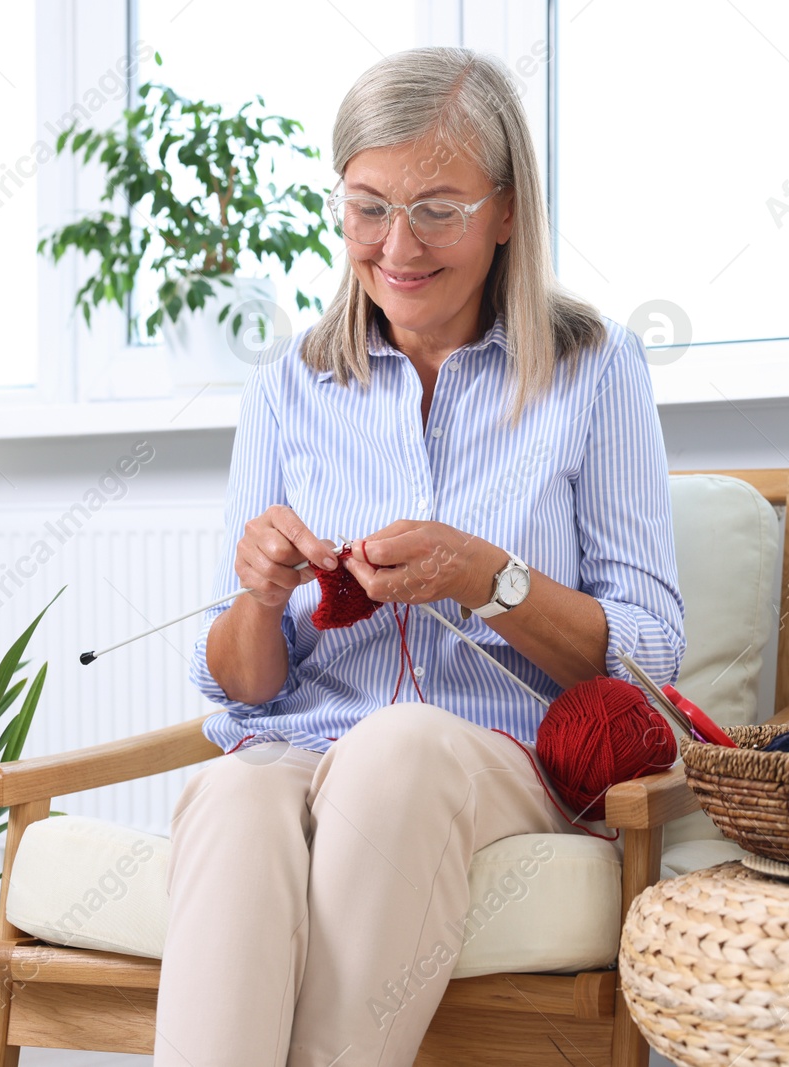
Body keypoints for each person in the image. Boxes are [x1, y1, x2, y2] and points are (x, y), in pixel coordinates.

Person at [152, 46, 685, 1067]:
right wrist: (258, 597)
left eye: (437, 207)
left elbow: (649, 655)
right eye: (367, 207)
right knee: (231, 788)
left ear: (505, 209)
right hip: (300, 744)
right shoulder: (287, 388)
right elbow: (242, 684)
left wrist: (487, 577)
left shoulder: (593, 368)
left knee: (396, 744)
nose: (398, 244)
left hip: (499, 760)